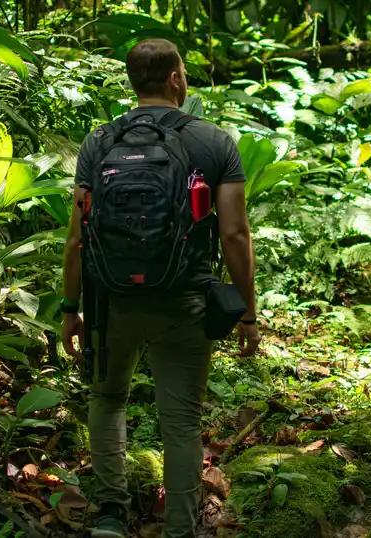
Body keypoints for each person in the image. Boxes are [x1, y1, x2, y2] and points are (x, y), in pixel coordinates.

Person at [60, 38, 262, 538]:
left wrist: (69, 308)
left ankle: (109, 513)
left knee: (107, 400)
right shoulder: (214, 142)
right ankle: (180, 527)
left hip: (110, 302)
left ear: (133, 81)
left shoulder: (98, 143)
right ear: (175, 79)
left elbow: (76, 238)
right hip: (185, 302)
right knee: (182, 422)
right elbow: (234, 234)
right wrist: (248, 313)